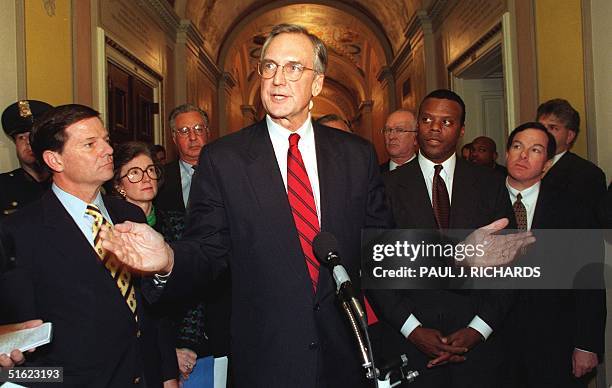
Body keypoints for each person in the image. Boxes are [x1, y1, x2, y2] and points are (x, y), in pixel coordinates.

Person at [101, 23, 391, 388]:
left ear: (317, 83)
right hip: (267, 358)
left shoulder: (356, 155)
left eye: (293, 68)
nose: (277, 79)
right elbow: (208, 250)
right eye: (268, 66)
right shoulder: (225, 159)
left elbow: (380, 248)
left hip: (347, 356)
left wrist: (461, 256)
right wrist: (169, 260)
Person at [1, 104, 170, 387]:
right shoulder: (19, 232)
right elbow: (19, 344)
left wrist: (167, 373)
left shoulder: (129, 215)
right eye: (91, 144)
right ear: (55, 160)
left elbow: (151, 307)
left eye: (105, 140)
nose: (107, 150)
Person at [370, 89, 517, 388]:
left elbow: (510, 266)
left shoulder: (490, 185)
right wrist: (412, 329)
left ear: (462, 130)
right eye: (427, 119)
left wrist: (478, 329)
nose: (435, 128)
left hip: (479, 348)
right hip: (409, 346)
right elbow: (376, 269)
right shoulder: (385, 187)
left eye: (446, 122)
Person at [109, 141, 230, 386]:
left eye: (151, 169)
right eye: (134, 172)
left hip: (193, 346)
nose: (146, 178)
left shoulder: (179, 222)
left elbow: (196, 288)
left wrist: (186, 344)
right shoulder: (113, 231)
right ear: (118, 185)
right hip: (140, 350)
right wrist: (167, 353)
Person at [503, 122, 606, 388]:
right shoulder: (481, 201)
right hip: (495, 345)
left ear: (547, 164)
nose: (523, 155)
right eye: (517, 146)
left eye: (535, 150)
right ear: (506, 154)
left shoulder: (573, 208)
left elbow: (589, 278)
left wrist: (587, 344)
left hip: (555, 343)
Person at [536, 99, 607, 226]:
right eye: (541, 127)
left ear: (569, 136)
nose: (544, 133)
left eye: (552, 128)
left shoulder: (587, 174)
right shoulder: (524, 165)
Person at [0, 100, 53, 218]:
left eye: (33, 136)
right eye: (21, 137)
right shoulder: (3, 186)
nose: (28, 142)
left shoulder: (69, 182)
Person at [155, 104, 209, 214]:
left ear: (207, 132)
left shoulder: (226, 173)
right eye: (184, 131)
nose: (193, 137)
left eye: (198, 129)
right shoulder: (159, 178)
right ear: (174, 137)